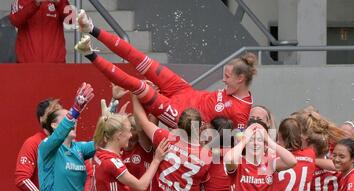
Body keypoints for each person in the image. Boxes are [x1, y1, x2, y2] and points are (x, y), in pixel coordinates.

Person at [75, 11, 256, 130]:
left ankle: (89, 53)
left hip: (182, 115)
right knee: (142, 60)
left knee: (139, 87)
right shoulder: (234, 90)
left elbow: (230, 144)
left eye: (227, 77)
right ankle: (91, 28)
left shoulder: (241, 111)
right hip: (185, 90)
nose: (223, 81)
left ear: (240, 79)